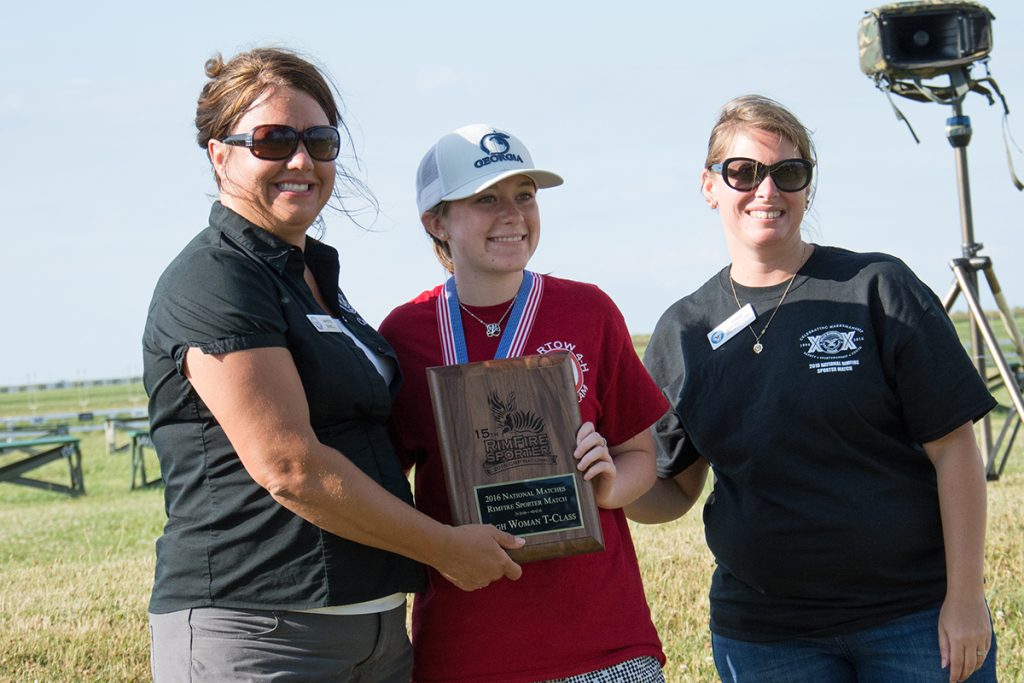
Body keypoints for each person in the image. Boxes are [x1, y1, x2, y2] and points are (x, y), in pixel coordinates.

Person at [142, 49, 525, 682]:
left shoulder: (314, 279)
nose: (301, 160)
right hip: (259, 633)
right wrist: (444, 549)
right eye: (272, 140)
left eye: (319, 140)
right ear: (220, 155)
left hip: (372, 630)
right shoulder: (215, 279)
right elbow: (289, 468)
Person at [627, 94, 998, 683]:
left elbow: (954, 449)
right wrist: (600, 486)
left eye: (789, 173)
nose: (766, 191)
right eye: (744, 172)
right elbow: (673, 490)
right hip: (767, 638)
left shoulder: (877, 287)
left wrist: (965, 597)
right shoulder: (685, 330)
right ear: (710, 186)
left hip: (915, 621)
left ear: (808, 185)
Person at [379, 123, 668, 682]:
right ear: (436, 221)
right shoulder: (405, 334)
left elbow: (641, 457)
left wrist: (608, 484)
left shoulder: (589, 311)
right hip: (468, 653)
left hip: (605, 645)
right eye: (485, 198)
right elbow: (388, 488)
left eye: (525, 196)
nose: (512, 214)